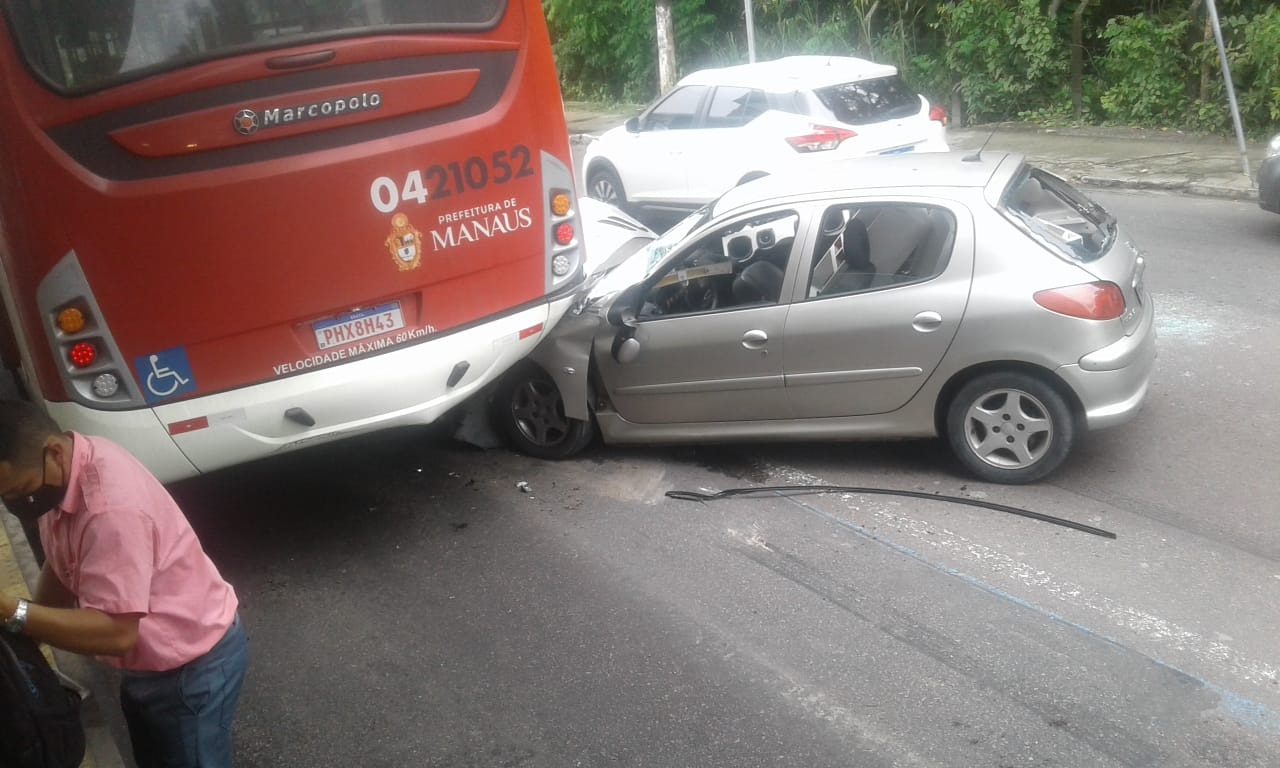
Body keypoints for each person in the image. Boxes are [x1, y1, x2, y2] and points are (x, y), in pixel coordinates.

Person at [0, 400, 246, 767]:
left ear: (53, 451)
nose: (14, 502)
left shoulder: (110, 509)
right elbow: (63, 558)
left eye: (19, 490)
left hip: (191, 670)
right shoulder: (68, 467)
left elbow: (116, 633)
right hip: (150, 667)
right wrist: (29, 634)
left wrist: (14, 611)